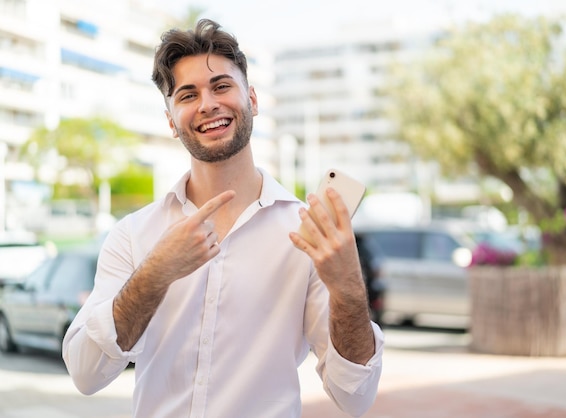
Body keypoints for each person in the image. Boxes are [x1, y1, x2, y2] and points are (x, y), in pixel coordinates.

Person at [62, 19, 383, 418]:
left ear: (252, 98)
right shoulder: (134, 234)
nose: (207, 104)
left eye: (221, 86)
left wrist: (348, 289)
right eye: (187, 95)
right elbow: (85, 373)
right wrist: (155, 273)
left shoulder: (306, 234)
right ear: (171, 123)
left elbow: (355, 396)